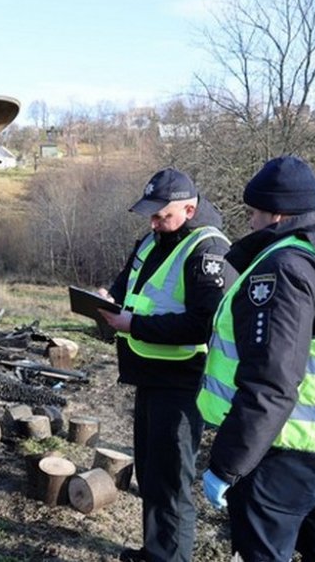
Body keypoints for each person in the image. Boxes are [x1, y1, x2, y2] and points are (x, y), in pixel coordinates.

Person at [197, 156, 315, 561]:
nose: (249, 223)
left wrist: (227, 465)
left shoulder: (285, 268)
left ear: (277, 213)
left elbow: (271, 382)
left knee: (264, 553)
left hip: (289, 450)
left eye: (253, 213)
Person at [98, 168, 235, 562]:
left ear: (189, 209)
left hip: (182, 381)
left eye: (163, 216)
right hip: (149, 373)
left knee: (173, 482)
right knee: (153, 473)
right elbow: (129, 279)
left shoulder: (208, 250)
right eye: (151, 215)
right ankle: (156, 551)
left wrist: (133, 324)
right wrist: (108, 294)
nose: (154, 223)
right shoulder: (152, 239)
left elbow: (202, 324)